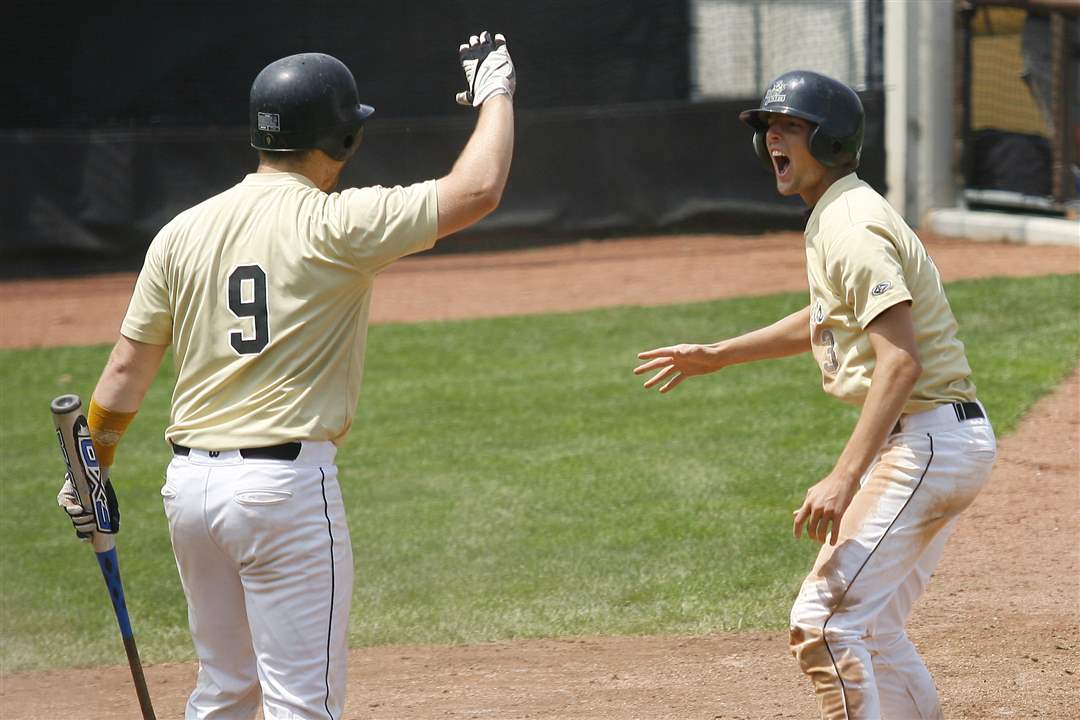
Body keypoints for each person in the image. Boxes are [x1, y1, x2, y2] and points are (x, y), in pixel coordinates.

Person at [56, 31, 515, 720]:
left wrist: (90, 465)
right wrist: (497, 94)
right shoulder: (335, 225)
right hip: (281, 493)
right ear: (341, 140)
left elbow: (126, 368)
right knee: (301, 704)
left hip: (189, 495)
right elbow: (477, 189)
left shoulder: (182, 231)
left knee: (224, 692)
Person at [634, 71, 997, 719]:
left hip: (927, 443)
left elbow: (900, 362)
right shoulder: (838, 213)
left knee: (823, 625)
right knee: (873, 629)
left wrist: (842, 476)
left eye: (790, 125)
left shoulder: (852, 226)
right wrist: (717, 354)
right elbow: (826, 319)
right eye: (768, 127)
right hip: (942, 441)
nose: (773, 136)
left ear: (829, 141)